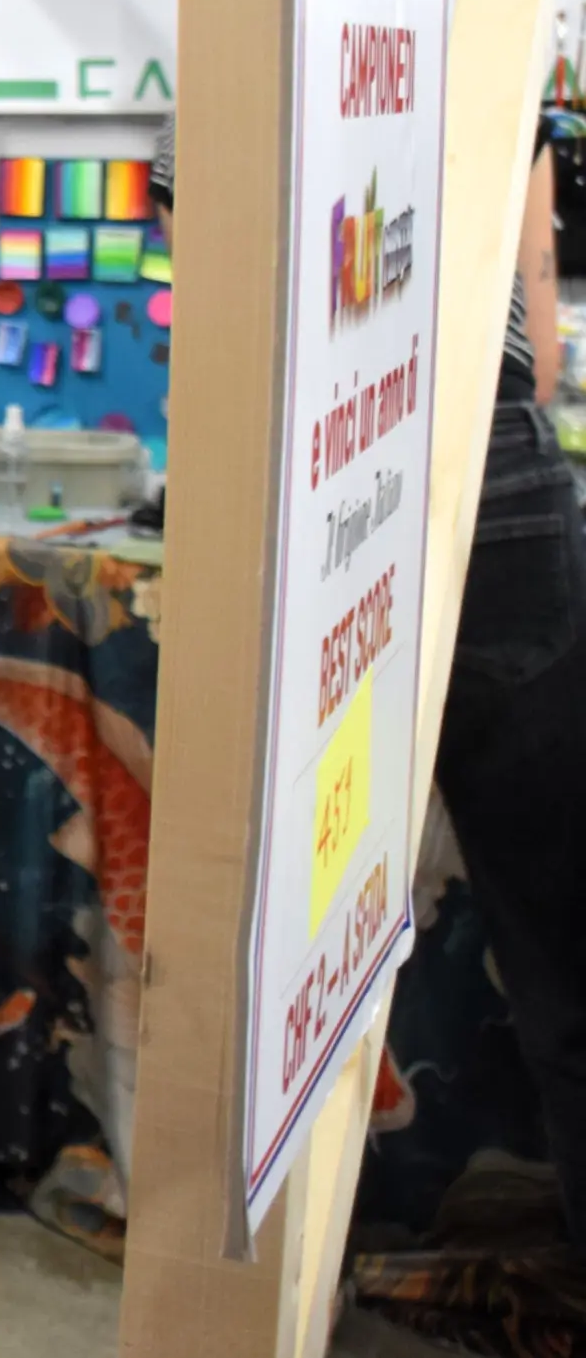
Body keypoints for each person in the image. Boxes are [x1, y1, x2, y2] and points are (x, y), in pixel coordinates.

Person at [165, 110, 586, 1257]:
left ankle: (270, 1279)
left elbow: (213, 346)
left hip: (310, 492)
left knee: (283, 969)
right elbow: (538, 362)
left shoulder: (248, 58)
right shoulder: (488, 65)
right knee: (562, 970)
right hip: (486, 477)